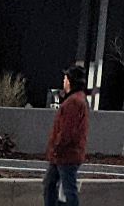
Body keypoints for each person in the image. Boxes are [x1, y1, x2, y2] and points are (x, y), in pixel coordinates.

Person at [45, 65, 91, 206]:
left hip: (66, 154)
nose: (63, 81)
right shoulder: (77, 99)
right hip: (65, 154)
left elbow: (68, 131)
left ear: (71, 81)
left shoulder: (74, 102)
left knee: (66, 189)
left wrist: (57, 147)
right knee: (53, 185)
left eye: (65, 78)